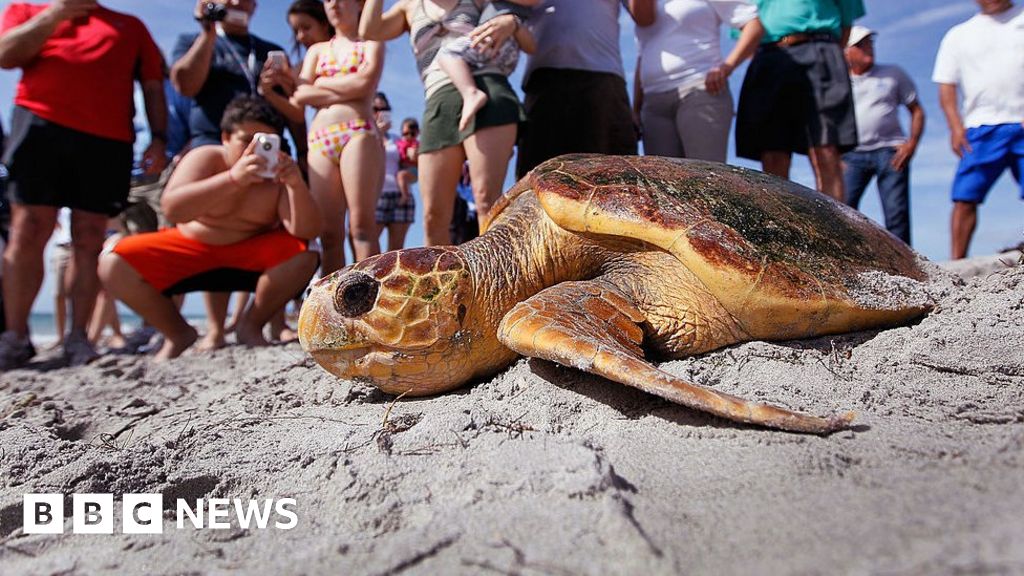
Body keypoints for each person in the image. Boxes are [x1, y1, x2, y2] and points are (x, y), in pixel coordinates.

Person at [0, 0, 166, 369]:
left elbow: (153, 86)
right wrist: (55, 14)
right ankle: (13, 336)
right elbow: (7, 55)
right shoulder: (25, 10)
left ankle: (79, 336)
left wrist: (158, 136)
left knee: (90, 236)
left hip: (107, 139)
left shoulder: (131, 26)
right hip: (39, 125)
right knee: (28, 229)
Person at [99, 97, 321, 360]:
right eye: (245, 139)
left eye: (266, 142)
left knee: (306, 252)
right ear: (225, 136)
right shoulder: (204, 157)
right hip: (191, 250)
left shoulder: (279, 175)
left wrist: (295, 184)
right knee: (113, 261)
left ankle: (250, 325)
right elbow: (173, 208)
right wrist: (233, 179)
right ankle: (178, 333)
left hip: (249, 255)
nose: (254, 149)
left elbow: (304, 231)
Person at [361, 0, 529, 245]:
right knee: (433, 216)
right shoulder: (408, 7)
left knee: (487, 201)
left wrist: (512, 21)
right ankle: (442, 284)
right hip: (439, 98)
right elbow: (369, 30)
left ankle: (496, 281)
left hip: (488, 87)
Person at [734, 0, 864, 202]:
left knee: (825, 147)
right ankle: (779, 226)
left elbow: (846, 24)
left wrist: (827, 53)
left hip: (819, 48)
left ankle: (834, 229)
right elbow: (745, 31)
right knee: (772, 150)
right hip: (768, 57)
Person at [293, 0, 384, 275]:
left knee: (361, 227)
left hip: (358, 132)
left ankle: (373, 301)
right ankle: (333, 309)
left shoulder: (372, 42)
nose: (333, 4)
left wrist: (320, 86)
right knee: (330, 234)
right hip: (320, 139)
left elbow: (365, 83)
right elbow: (300, 94)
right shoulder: (317, 51)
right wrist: (347, 88)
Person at [515, 0, 654, 178]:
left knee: (615, 179)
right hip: (545, 81)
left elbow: (645, 18)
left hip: (603, 83)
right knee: (540, 179)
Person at [933, 0, 1024, 260]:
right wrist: (954, 126)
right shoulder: (959, 35)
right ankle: (956, 263)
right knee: (965, 197)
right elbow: (946, 85)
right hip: (980, 127)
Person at [633, 0, 763, 162]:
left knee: (706, 177)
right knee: (661, 183)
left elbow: (753, 25)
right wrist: (636, 108)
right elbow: (642, 54)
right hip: (653, 105)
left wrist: (726, 67)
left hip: (700, 91)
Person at [842, 26, 924, 246]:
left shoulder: (893, 74)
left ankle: (906, 269)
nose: (868, 48)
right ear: (846, 51)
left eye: (870, 43)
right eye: (860, 45)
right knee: (842, 209)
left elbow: (916, 110)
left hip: (890, 152)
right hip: (851, 155)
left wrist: (912, 143)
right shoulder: (837, 80)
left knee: (896, 211)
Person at [435, 1, 537, 132]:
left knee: (447, 53)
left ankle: (471, 93)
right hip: (503, 56)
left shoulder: (517, 9)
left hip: (495, 40)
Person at [373, 93, 416, 252]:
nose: (380, 112)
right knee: (369, 249)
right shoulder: (363, 138)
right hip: (376, 196)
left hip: (401, 197)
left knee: (396, 252)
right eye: (375, 109)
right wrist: (376, 133)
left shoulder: (398, 140)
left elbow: (409, 168)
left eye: (384, 109)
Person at [397, 117, 420, 201]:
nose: (409, 136)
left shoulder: (416, 145)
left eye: (412, 134)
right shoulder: (399, 143)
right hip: (404, 168)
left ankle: (405, 195)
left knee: (401, 176)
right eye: (406, 134)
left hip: (413, 169)